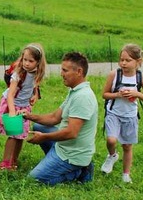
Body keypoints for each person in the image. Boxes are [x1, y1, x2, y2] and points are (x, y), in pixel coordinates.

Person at [23, 52, 98, 185]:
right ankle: (56, 159)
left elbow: (72, 133)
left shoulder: (83, 97)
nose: (61, 74)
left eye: (65, 70)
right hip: (63, 147)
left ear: (79, 72)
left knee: (33, 180)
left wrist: (44, 137)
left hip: (71, 155)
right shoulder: (75, 91)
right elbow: (54, 118)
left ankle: (79, 171)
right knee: (40, 127)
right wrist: (29, 116)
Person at [100, 44, 143, 183]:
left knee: (127, 146)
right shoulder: (114, 75)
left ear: (138, 62)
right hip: (113, 114)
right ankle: (112, 155)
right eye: (121, 59)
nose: (123, 63)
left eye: (127, 60)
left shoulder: (141, 77)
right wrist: (117, 94)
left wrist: (137, 94)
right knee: (111, 140)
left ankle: (126, 174)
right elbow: (104, 95)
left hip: (130, 116)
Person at [0, 43, 46, 170]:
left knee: (21, 135)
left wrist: (35, 94)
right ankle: (5, 164)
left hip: (24, 106)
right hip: (12, 104)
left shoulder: (37, 72)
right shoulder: (18, 74)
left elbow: (34, 84)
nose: (26, 63)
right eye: (24, 60)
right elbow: (10, 95)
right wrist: (11, 111)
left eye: (30, 61)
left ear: (38, 62)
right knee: (13, 135)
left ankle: (13, 161)